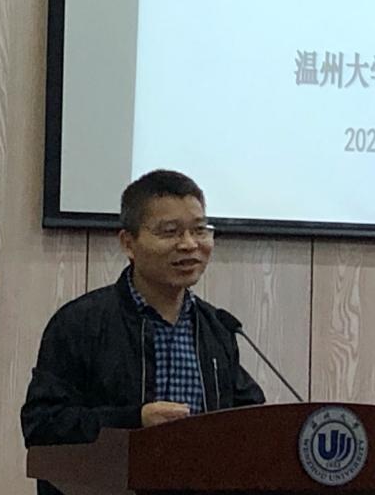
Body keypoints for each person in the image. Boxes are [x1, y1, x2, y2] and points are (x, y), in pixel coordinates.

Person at [21, 169, 265, 494]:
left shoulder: (216, 328)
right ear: (128, 243)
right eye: (170, 232)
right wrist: (134, 420)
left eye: (199, 230)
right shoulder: (81, 323)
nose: (189, 244)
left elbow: (250, 424)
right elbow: (42, 424)